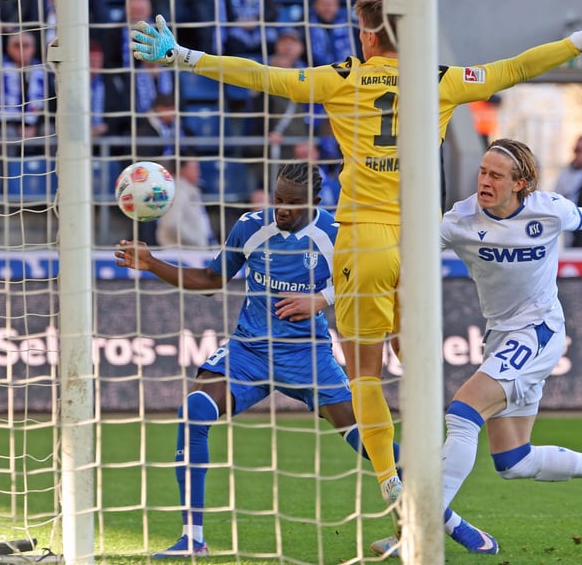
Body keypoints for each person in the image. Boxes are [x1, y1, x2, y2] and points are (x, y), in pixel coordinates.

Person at [128, 0, 582, 534]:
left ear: (369, 36)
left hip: (365, 238)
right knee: (416, 365)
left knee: (365, 374)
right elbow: (516, 67)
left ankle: (390, 479)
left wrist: (183, 56)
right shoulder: (440, 79)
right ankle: (427, 485)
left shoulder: (341, 76)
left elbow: (262, 77)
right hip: (421, 242)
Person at [371, 139, 582, 555]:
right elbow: (403, 259)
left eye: (495, 175)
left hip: (539, 331)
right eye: (482, 172)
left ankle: (418, 530)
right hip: (501, 335)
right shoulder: (459, 220)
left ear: (520, 183)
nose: (484, 181)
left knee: (463, 413)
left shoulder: (548, 208)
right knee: (513, 461)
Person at [115, 163, 403, 557]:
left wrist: (322, 299)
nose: (281, 209)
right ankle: (192, 540)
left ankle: (430, 512)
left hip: (307, 354)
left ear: (315, 202)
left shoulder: (335, 236)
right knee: (193, 411)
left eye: (292, 204)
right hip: (249, 350)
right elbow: (211, 281)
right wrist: (151, 263)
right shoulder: (250, 227)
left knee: (368, 437)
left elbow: (371, 279)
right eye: (277, 200)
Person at [154, 155, 217, 249]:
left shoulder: (189, 189)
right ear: (181, 169)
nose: (199, 172)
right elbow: (171, 224)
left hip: (190, 252)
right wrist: (199, 243)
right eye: (194, 168)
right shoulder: (177, 190)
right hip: (180, 253)